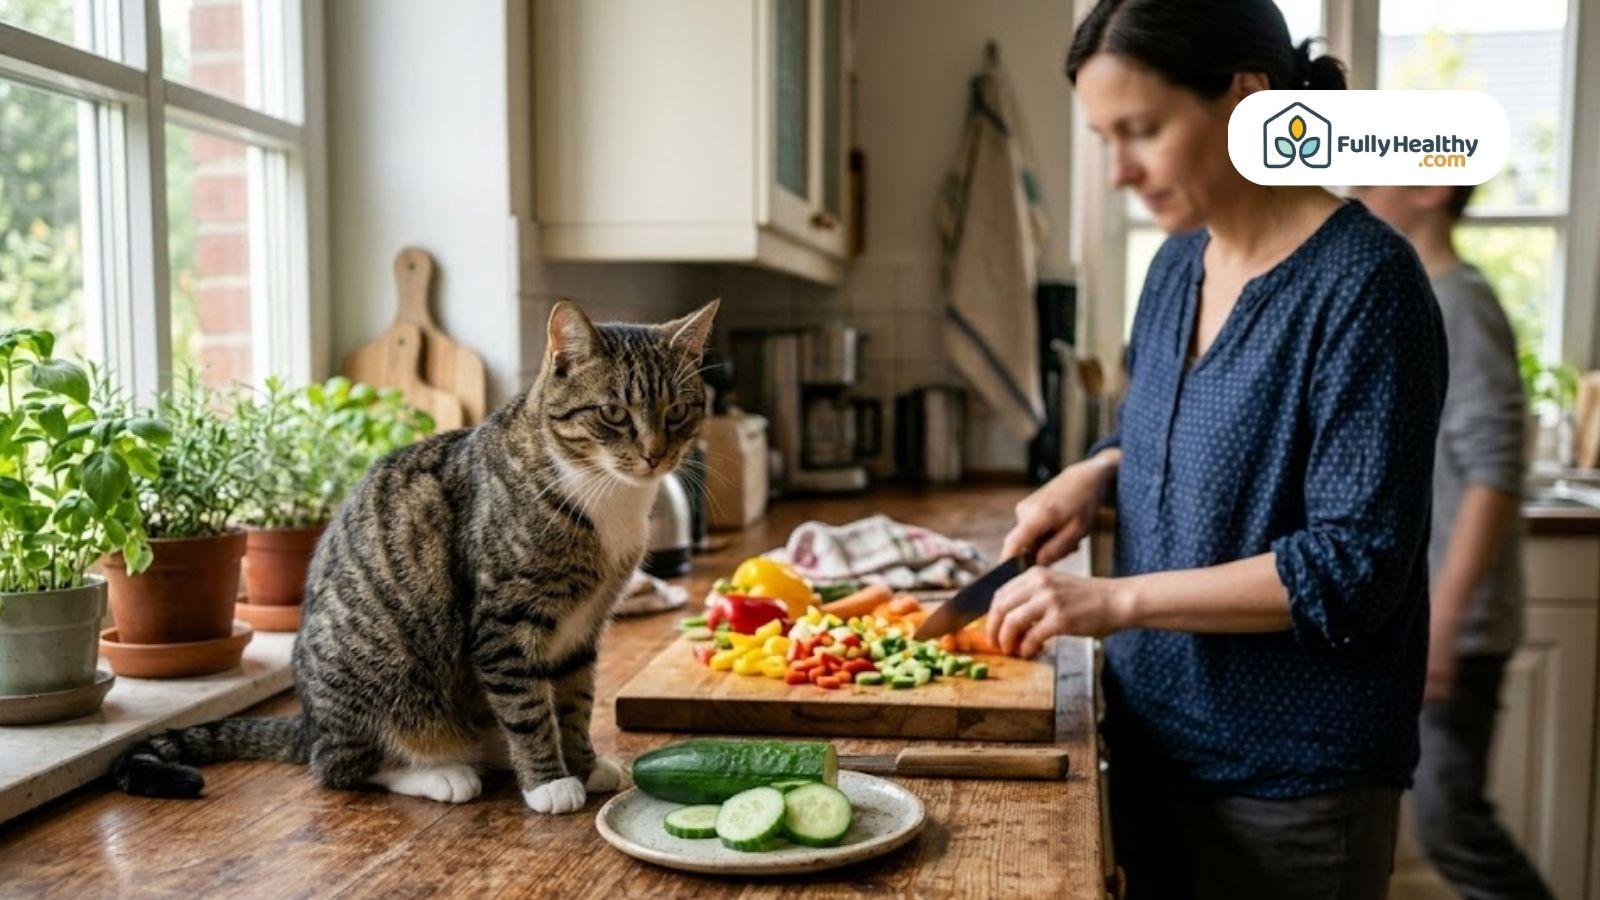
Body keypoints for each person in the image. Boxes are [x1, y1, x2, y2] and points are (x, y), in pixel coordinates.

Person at [984, 1, 1447, 897]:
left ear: (1246, 99)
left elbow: (1353, 567)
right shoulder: (1174, 268)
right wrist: (1095, 472)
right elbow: (1175, 436)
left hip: (1294, 784)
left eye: (1143, 131)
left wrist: (1113, 600)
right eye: (1104, 138)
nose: (1120, 171)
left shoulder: (1366, 287)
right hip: (1150, 737)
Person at [1356, 183, 1552, 899]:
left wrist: (1445, 619)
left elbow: (1497, 473)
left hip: (1455, 623)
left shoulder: (1459, 301)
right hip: (1428, 614)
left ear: (1432, 186)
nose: (1359, 185)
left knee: (1450, 824)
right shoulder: (1412, 293)